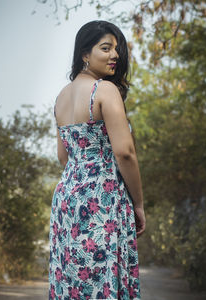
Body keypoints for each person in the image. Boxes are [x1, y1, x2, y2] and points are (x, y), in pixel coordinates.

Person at [49, 20, 146, 300]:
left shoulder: (60, 98)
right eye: (106, 48)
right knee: (103, 280)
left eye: (117, 49)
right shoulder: (104, 90)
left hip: (67, 197)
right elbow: (124, 152)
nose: (115, 55)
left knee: (73, 279)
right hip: (102, 197)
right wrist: (138, 203)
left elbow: (62, 156)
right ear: (84, 54)